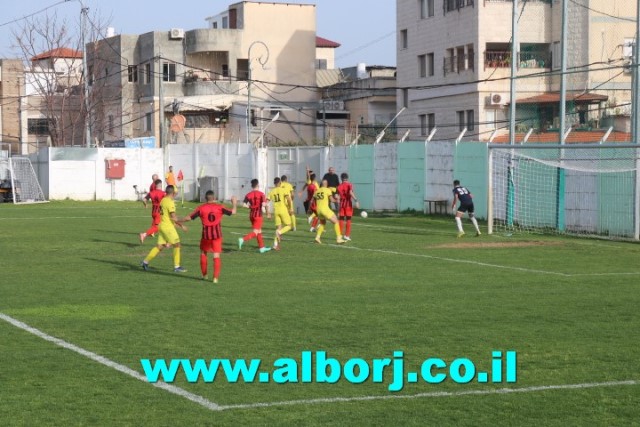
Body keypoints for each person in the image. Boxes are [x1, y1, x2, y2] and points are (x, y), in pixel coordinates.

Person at [180, 191, 237, 283]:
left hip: (206, 235)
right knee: (216, 255)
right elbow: (233, 212)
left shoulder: (201, 208)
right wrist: (234, 202)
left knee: (203, 253)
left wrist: (179, 220)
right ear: (214, 198)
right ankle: (215, 278)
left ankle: (205, 275)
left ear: (205, 198)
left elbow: (188, 218)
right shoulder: (220, 207)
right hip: (217, 235)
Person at [141, 185, 188, 273]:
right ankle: (177, 266)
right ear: (173, 193)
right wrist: (182, 225)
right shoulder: (170, 202)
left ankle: (145, 262)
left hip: (161, 225)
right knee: (177, 244)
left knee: (160, 246)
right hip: (168, 227)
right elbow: (174, 217)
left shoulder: (163, 200)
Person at [239, 179, 272, 254]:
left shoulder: (248, 194)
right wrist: (267, 205)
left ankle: (262, 248)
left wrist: (250, 207)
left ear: (252, 186)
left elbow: (244, 204)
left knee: (259, 231)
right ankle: (243, 239)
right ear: (258, 185)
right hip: (258, 216)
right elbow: (263, 204)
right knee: (256, 232)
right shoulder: (261, 194)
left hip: (251, 215)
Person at [313, 179, 346, 245]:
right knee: (336, 221)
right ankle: (339, 238)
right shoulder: (327, 190)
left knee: (323, 223)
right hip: (325, 209)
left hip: (318, 210)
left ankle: (317, 237)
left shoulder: (317, 191)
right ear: (326, 184)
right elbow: (332, 200)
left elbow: (314, 200)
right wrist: (337, 200)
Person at [268, 177, 294, 250]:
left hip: (276, 211)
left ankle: (275, 245)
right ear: (280, 183)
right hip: (283, 210)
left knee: (278, 228)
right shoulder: (283, 190)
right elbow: (289, 199)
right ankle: (280, 232)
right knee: (289, 226)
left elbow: (266, 202)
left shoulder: (271, 191)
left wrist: (268, 213)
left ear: (274, 183)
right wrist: (290, 208)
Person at [139, 178, 164, 244]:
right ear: (161, 185)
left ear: (155, 185)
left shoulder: (151, 193)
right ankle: (144, 234)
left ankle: (151, 233)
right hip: (159, 212)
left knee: (154, 225)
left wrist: (145, 205)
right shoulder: (163, 193)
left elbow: (144, 200)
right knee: (157, 227)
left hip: (153, 212)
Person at [337, 172, 359, 241]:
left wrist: (338, 207)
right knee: (348, 219)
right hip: (348, 204)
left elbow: (337, 197)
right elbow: (350, 192)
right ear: (347, 178)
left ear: (341, 178)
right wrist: (356, 200)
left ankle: (340, 235)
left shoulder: (339, 186)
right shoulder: (349, 184)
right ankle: (347, 235)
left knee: (341, 219)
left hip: (341, 204)